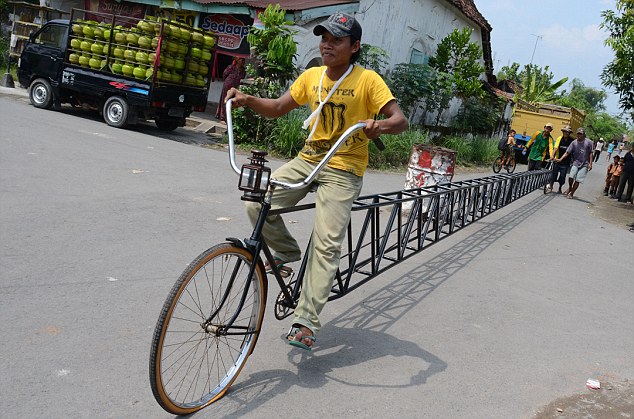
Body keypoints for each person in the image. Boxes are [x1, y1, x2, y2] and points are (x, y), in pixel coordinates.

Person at [226, 12, 408, 350]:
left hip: (344, 168)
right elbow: (279, 106)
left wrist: (378, 126)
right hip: (308, 159)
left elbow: (399, 120)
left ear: (354, 47)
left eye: (336, 40)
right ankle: (285, 251)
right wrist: (248, 100)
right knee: (256, 200)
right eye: (324, 38)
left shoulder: (368, 81)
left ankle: (306, 321)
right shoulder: (311, 77)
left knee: (326, 243)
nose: (327, 44)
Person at [556, 127, 593, 199]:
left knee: (578, 179)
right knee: (571, 176)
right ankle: (570, 188)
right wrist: (560, 159)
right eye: (578, 134)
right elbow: (567, 152)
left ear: (584, 135)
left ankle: (571, 193)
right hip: (576, 162)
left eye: (581, 134)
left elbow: (591, 153)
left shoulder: (588, 142)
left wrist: (590, 163)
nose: (579, 136)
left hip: (584, 163)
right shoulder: (574, 143)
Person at [545, 125, 574, 193]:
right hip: (557, 160)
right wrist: (552, 156)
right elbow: (556, 148)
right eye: (564, 132)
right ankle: (551, 186)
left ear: (569, 133)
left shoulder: (572, 141)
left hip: (565, 162)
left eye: (567, 132)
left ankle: (560, 187)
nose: (565, 133)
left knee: (562, 177)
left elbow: (569, 151)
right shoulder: (559, 138)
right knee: (553, 174)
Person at [215, 57, 246, 121]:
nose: (243, 62)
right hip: (227, 85)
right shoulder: (231, 67)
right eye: (241, 60)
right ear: (237, 60)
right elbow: (224, 75)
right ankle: (222, 116)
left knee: (233, 101)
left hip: (236, 87)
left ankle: (229, 117)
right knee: (225, 99)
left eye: (244, 60)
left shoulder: (243, 70)